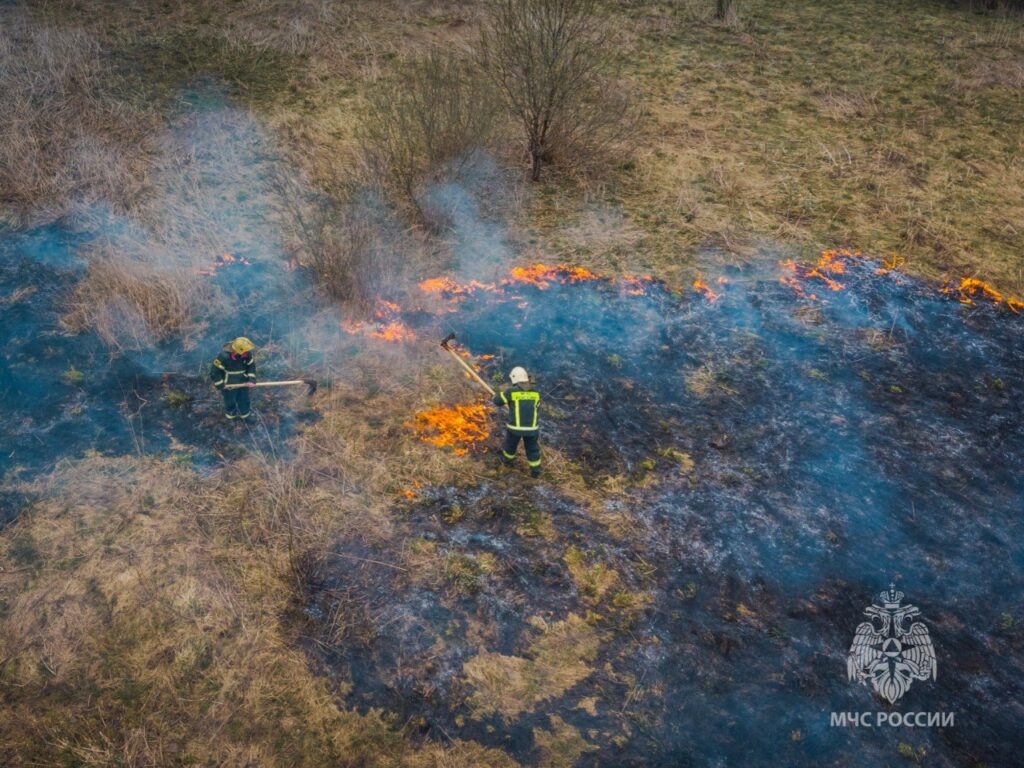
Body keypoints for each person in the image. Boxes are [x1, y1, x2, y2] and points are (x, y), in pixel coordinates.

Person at [493, 366, 541, 477]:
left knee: (510, 446)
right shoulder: (536, 393)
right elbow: (535, 407)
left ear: (514, 378)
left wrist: (498, 393)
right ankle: (535, 471)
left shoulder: (511, 391)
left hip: (515, 428)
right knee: (533, 449)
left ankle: (507, 463)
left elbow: (497, 402)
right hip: (532, 429)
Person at [210, 337, 257, 420]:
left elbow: (251, 366)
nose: (247, 352)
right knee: (230, 401)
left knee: (244, 399)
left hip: (243, 383)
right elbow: (215, 372)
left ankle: (245, 416)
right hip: (229, 385)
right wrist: (221, 384)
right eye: (245, 351)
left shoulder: (247, 354)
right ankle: (231, 416)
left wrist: (251, 379)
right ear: (238, 351)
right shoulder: (224, 357)